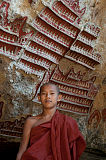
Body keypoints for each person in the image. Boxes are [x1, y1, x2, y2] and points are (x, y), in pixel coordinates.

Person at [16, 82, 86, 160]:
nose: (48, 96)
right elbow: (22, 149)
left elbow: (73, 151)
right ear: (39, 98)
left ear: (59, 97)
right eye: (44, 94)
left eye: (52, 93)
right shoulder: (31, 121)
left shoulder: (68, 122)